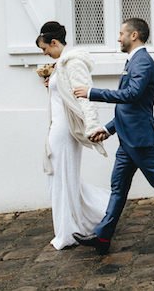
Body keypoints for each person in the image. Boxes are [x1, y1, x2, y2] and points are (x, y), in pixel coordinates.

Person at [72, 18, 154, 255]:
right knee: (118, 187)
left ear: (134, 35)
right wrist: (108, 129)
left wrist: (92, 93)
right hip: (128, 138)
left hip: (139, 138)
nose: (118, 38)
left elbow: (132, 95)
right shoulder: (134, 61)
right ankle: (103, 237)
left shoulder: (143, 62)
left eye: (121, 33)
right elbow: (129, 108)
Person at [35, 21, 109, 250]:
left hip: (64, 130)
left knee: (62, 178)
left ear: (54, 42)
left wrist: (93, 126)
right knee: (62, 178)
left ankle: (68, 231)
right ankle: (88, 217)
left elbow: (83, 95)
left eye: (45, 48)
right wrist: (51, 83)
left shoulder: (73, 61)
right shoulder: (60, 64)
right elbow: (64, 94)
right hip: (57, 126)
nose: (45, 53)